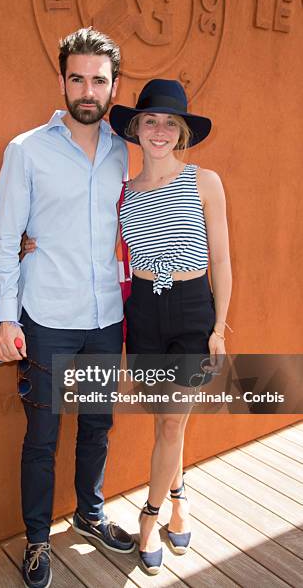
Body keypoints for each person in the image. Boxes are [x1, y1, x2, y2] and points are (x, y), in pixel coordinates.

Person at [0, 27, 135, 588]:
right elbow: (5, 239)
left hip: (104, 318)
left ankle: (90, 514)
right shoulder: (26, 150)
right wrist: (5, 316)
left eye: (99, 80)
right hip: (47, 320)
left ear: (114, 87)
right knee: (43, 437)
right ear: (62, 81)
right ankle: (37, 540)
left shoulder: (126, 150)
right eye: (78, 78)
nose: (88, 90)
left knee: (97, 424)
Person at [107, 79, 232, 574]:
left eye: (170, 123)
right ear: (136, 129)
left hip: (189, 310)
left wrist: (219, 326)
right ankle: (179, 497)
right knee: (166, 422)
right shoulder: (124, 194)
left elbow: (221, 259)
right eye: (151, 121)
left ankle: (150, 514)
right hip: (143, 313)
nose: (160, 131)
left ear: (181, 133)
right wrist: (31, 244)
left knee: (173, 420)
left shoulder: (205, 181)